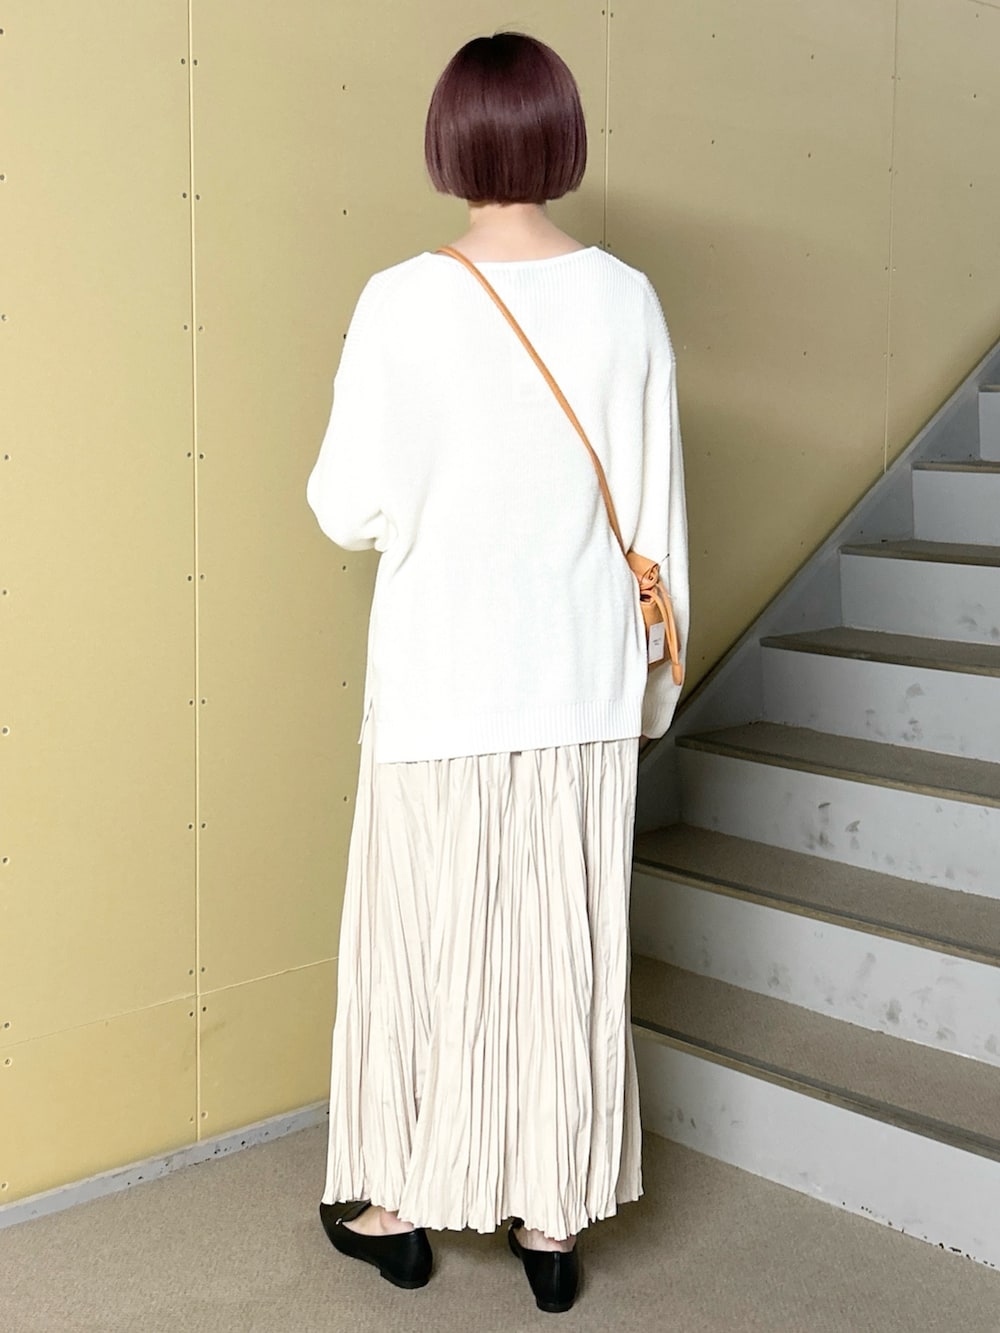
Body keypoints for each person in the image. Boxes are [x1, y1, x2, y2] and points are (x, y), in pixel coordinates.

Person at [306, 30, 689, 1315]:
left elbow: (344, 507)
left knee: (426, 945)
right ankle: (551, 1224)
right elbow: (654, 519)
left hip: (440, 679)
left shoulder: (398, 301)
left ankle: (399, 1211)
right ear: (561, 136)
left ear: (449, 140)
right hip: (577, 680)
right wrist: (649, 695)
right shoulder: (627, 299)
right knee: (560, 952)